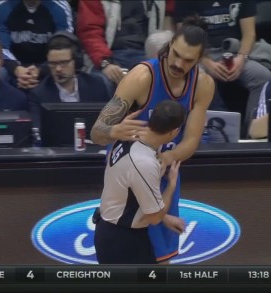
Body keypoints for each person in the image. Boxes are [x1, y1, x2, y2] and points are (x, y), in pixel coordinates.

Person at [91, 16, 215, 263]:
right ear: (169, 46)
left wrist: (168, 157)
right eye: (175, 54)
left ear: (199, 60)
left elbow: (190, 141)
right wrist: (114, 131)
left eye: (188, 60)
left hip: (160, 171)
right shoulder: (141, 77)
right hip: (129, 173)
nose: (178, 63)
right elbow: (97, 132)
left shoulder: (203, 84)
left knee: (162, 261)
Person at [94, 100, 183, 264]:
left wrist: (166, 218)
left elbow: (131, 193)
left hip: (110, 229)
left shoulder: (127, 136)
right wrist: (171, 184)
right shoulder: (145, 162)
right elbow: (155, 218)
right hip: (123, 241)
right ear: (174, 132)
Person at [173, 0, 271, 132]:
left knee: (262, 76)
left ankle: (251, 132)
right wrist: (207, 62)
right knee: (197, 76)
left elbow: (249, 35)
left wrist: (241, 58)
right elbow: (184, 37)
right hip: (199, 53)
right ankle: (208, 133)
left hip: (234, 52)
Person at [77, 0, 174, 97]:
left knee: (165, 80)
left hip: (146, 53)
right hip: (110, 56)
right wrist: (105, 63)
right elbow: (90, 32)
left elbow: (170, 15)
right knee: (101, 82)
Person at [28, 31, 110, 129]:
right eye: (53, 64)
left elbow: (110, 122)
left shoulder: (97, 85)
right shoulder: (38, 95)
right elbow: (38, 132)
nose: (58, 69)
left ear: (76, 61)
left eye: (63, 62)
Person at [0, 0, 73, 91]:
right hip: (12, 67)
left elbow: (63, 47)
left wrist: (41, 70)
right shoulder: (1, 4)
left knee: (65, 69)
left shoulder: (60, 6)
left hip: (48, 67)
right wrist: (16, 68)